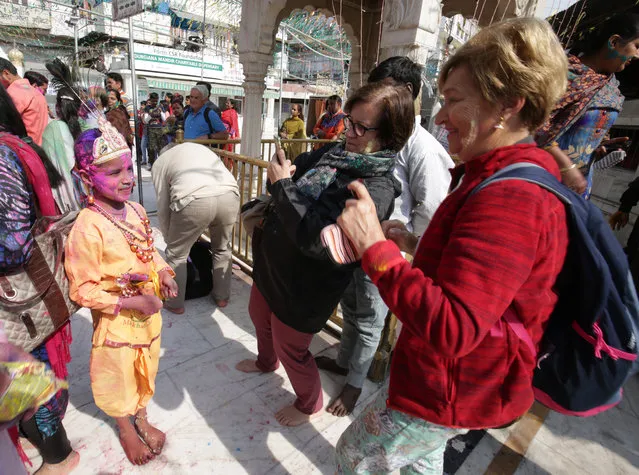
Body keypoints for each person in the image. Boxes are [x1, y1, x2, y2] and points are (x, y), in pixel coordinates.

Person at [333, 18, 570, 474]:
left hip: (450, 385)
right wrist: (417, 244)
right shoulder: (496, 173)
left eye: (454, 101)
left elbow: (455, 327)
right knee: (420, 462)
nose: (439, 118)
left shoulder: (511, 197)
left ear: (508, 105)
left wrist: (373, 248)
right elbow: (485, 276)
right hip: (447, 381)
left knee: (355, 456)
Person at [235, 81, 414, 427]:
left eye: (361, 127)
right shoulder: (334, 154)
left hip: (306, 287)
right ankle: (264, 361)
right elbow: (299, 164)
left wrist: (284, 187)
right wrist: (286, 173)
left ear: (390, 136)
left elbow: (320, 240)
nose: (350, 131)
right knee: (260, 316)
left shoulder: (374, 189)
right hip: (274, 263)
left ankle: (308, 402)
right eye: (349, 120)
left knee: (293, 348)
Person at [315, 56, 455, 417]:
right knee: (350, 306)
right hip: (352, 242)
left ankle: (355, 384)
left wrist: (405, 245)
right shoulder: (368, 133)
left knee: (369, 319)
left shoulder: (422, 147)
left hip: (384, 250)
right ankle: (345, 363)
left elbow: (433, 206)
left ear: (405, 94)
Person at [65, 122, 178, 466]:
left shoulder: (137, 211)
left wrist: (163, 271)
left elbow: (148, 250)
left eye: (129, 167)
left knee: (146, 368)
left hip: (148, 317)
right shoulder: (87, 227)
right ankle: (125, 427)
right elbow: (82, 290)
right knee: (119, 377)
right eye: (114, 172)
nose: (128, 178)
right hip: (116, 324)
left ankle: (141, 417)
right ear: (87, 178)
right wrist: (132, 301)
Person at [0, 83, 79, 474]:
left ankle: (59, 456)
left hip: (22, 294)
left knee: (31, 371)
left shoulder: (3, 154)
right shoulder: (18, 145)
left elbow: (14, 241)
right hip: (29, 289)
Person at [535, 13, 639, 199]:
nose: (638, 56)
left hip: (577, 188)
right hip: (540, 177)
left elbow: (581, 131)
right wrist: (566, 166)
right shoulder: (560, 75)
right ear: (614, 42)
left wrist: (596, 142)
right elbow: (529, 123)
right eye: (637, 47)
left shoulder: (612, 88)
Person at [152, 142, 240, 313]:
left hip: (194, 197)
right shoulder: (196, 149)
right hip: (230, 194)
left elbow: (163, 205)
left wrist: (170, 239)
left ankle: (175, 304)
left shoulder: (161, 162)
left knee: (177, 255)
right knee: (222, 249)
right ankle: (222, 297)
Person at [41, 81, 86, 213]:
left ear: (57, 107)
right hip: (81, 191)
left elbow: (54, 167)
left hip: (62, 195)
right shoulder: (80, 128)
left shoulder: (53, 128)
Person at [0, 58, 48, 145]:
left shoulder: (12, 93)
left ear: (6, 73)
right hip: (38, 151)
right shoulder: (36, 93)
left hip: (24, 150)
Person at [144, 92, 167, 167]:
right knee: (151, 148)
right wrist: (151, 115)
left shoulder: (160, 107)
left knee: (160, 147)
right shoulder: (147, 108)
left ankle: (161, 163)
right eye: (153, 101)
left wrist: (161, 112)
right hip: (151, 130)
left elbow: (164, 119)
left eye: (156, 101)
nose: (154, 102)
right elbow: (146, 120)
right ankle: (152, 163)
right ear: (150, 100)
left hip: (159, 129)